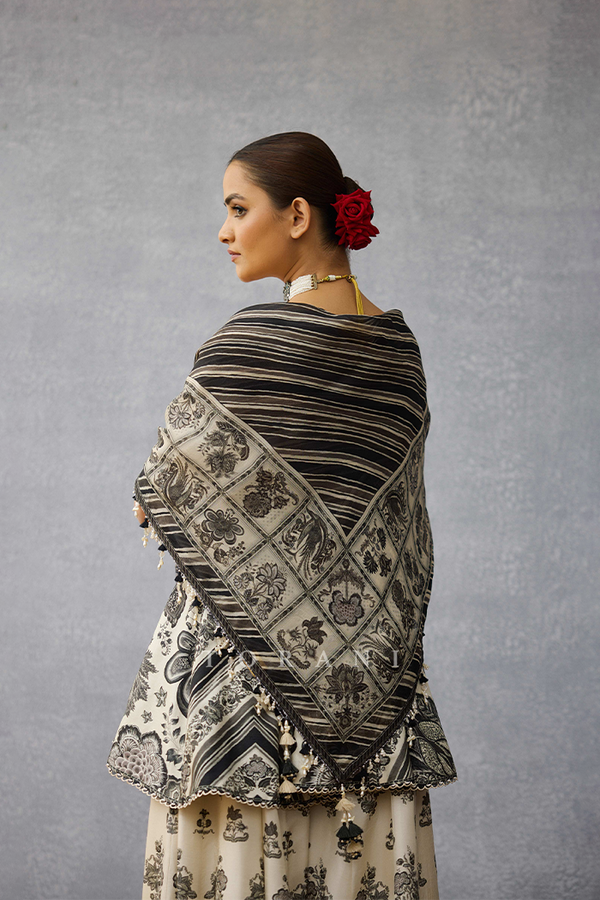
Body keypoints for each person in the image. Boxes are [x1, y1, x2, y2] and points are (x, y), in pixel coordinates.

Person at [108, 132, 456, 900]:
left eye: (239, 209)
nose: (224, 230)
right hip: (373, 693)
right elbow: (398, 536)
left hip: (244, 696)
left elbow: (157, 498)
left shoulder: (247, 344)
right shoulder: (401, 352)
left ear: (297, 215)